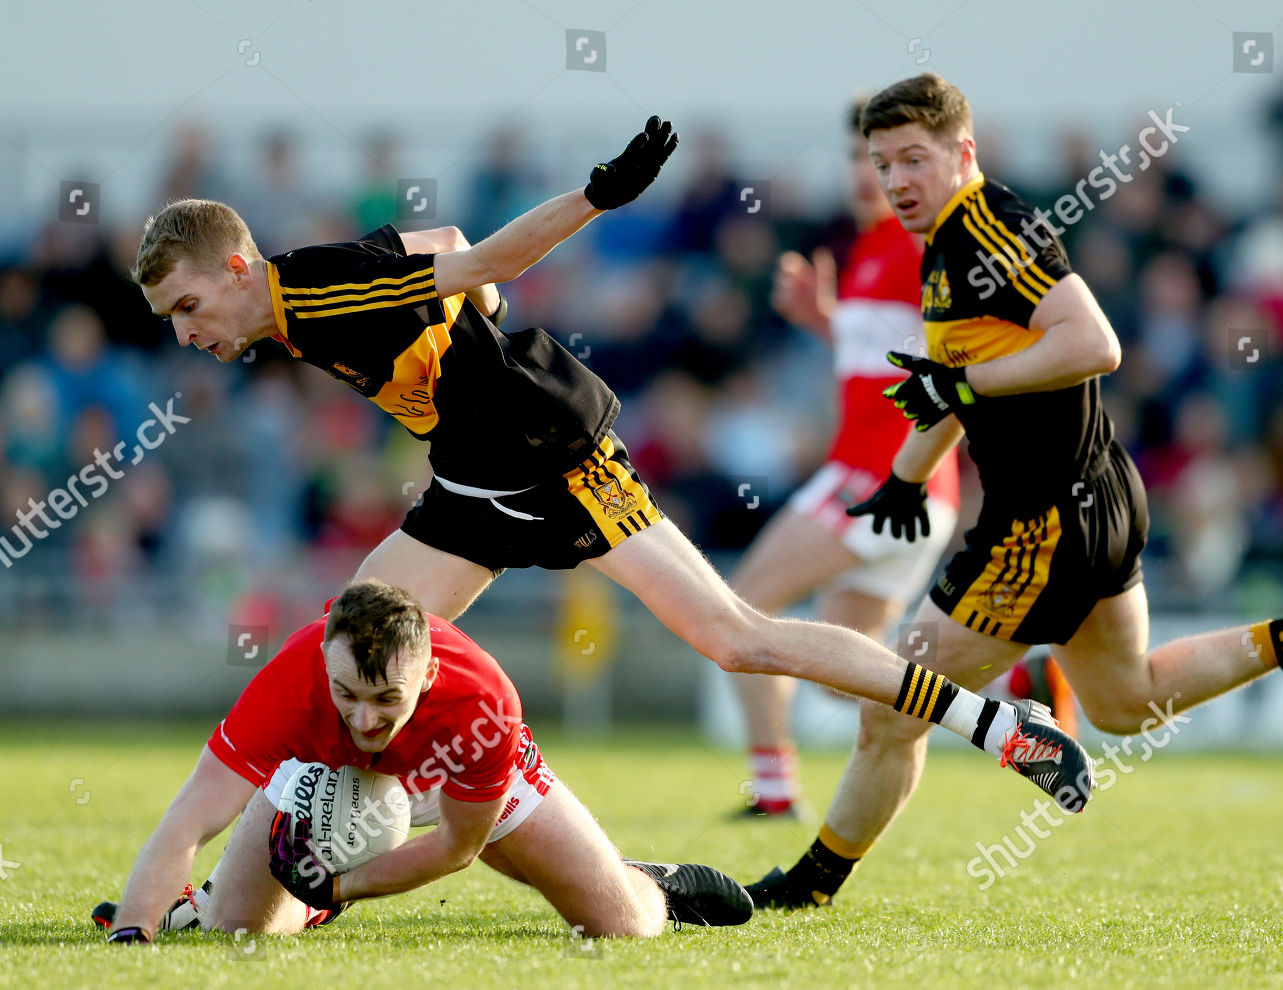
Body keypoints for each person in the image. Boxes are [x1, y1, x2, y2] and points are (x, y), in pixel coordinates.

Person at [132, 117, 1094, 815]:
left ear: (235, 269)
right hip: (470, 481)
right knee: (348, 643)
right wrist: (476, 332)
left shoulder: (322, 291)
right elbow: (449, 244)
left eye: (186, 308)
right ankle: (292, 858)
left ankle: (999, 728)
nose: (184, 335)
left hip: (556, 457)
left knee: (737, 638)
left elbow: (484, 259)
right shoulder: (293, 303)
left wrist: (592, 200)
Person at [748, 73, 1283, 909]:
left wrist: (962, 387)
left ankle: (811, 885)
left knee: (894, 707)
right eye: (881, 163)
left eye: (912, 159)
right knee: (1129, 702)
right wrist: (905, 479)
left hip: (1043, 523)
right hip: (1095, 499)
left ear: (962, 153)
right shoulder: (945, 243)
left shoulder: (985, 230)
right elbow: (952, 386)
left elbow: (1094, 342)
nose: (895, 180)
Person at [728, 98, 1076, 818]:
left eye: (885, 161)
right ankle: (1011, 691)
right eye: (860, 158)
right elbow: (894, 362)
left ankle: (773, 791)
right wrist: (824, 322)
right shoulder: (865, 253)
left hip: (881, 477)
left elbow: (959, 356)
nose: (869, 174)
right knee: (847, 675)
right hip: (909, 491)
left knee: (740, 611)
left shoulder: (921, 247)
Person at [94, 579, 754, 943]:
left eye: (386, 699)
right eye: (347, 694)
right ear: (324, 662)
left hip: (451, 769)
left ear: (429, 675)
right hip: (329, 775)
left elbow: (456, 848)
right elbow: (190, 818)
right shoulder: (291, 682)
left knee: (622, 928)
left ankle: (644, 881)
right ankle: (244, 905)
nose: (364, 720)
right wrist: (133, 933)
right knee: (239, 929)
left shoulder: (484, 705)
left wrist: (342, 883)